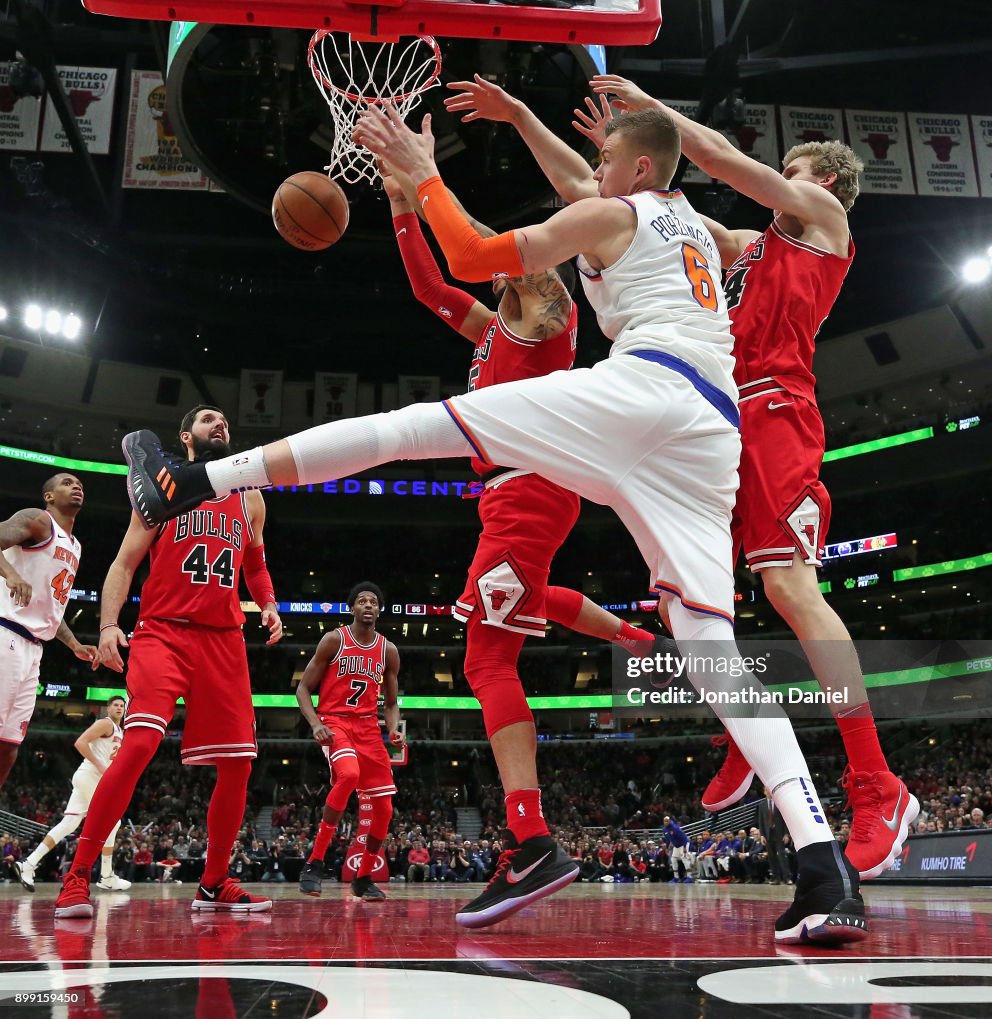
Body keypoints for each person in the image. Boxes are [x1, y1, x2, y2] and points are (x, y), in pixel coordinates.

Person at [117, 103, 866, 944]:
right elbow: (580, 188)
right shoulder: (682, 219)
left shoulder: (615, 213)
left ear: (641, 169)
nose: (596, 163)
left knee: (412, 429)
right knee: (712, 651)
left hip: (642, 391)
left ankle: (189, 481)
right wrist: (516, 118)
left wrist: (419, 171)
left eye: (608, 155)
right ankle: (823, 867)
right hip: (710, 430)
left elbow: (472, 254)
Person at [568, 74, 919, 881]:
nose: (775, 182)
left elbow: (721, 158)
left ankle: (877, 785)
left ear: (821, 180)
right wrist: (610, 157)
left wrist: (655, 113)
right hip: (718, 418)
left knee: (793, 590)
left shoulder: (825, 223)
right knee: (696, 597)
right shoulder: (749, 246)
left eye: (787, 171)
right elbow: (647, 213)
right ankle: (743, 735)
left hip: (776, 412)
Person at [382, 163, 676, 916]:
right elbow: (429, 290)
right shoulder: (493, 333)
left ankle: (530, 838)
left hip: (528, 491)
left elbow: (478, 252)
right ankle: (629, 636)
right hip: (522, 497)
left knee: (486, 658)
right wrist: (400, 208)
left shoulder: (547, 309)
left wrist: (425, 181)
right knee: (521, 606)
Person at [53, 406, 282, 919]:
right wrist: (109, 625)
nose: (219, 423)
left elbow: (256, 564)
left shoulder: (252, 500)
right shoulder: (163, 491)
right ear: (187, 438)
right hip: (164, 631)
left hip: (223, 639)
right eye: (207, 419)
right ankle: (77, 876)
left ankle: (214, 881)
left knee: (240, 764)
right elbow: (124, 563)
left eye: (225, 419)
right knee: (137, 744)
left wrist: (267, 602)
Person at [295, 581, 402, 902]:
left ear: (379, 611)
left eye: (374, 602)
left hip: (369, 728)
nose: (368, 605)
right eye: (362, 601)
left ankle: (363, 877)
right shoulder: (333, 640)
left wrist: (394, 729)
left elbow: (392, 703)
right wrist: (315, 724)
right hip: (335, 723)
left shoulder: (389, 650)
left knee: (384, 808)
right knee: (350, 776)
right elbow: (302, 690)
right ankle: (314, 863)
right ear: (352, 608)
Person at [1, 473, 98, 790]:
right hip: (6, 632)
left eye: (80, 484)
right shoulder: (37, 520)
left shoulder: (76, 546)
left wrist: (73, 644)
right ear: (49, 496)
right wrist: (11, 574)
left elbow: (51, 606)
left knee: (9, 744)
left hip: (34, 649)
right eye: (67, 482)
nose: (77, 486)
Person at [14, 696, 131, 892]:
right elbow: (80, 743)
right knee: (113, 820)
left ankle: (28, 863)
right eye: (115, 705)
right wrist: (101, 765)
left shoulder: (120, 730)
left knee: (69, 824)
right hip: (90, 776)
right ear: (108, 708)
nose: (119, 708)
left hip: (89, 779)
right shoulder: (105, 723)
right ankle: (106, 875)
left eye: (122, 705)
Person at [661, 814, 694, 883]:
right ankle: (676, 877)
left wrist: (685, 847)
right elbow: (668, 839)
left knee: (684, 859)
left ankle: (690, 877)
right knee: (673, 859)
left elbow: (684, 837)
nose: (666, 822)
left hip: (683, 844)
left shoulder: (675, 828)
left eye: (667, 821)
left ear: (670, 821)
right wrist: (667, 847)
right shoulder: (664, 829)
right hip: (676, 846)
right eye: (664, 821)